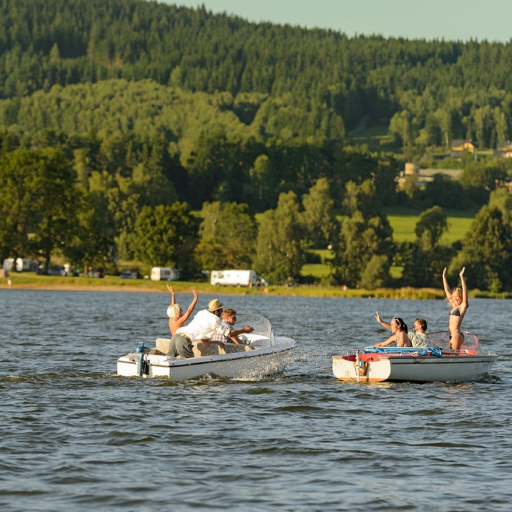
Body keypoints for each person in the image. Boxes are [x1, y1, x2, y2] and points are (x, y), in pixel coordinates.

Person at [166, 298, 231, 358]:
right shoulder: (215, 320)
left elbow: (203, 340)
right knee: (189, 364)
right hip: (183, 340)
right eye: (221, 310)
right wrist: (241, 330)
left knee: (169, 359)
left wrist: (217, 342)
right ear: (216, 311)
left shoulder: (201, 313)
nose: (222, 312)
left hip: (175, 337)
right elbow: (230, 333)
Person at [443, 267, 468, 350]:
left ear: (461, 297)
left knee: (452, 356)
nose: (455, 298)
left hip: (456, 335)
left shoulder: (462, 307)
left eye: (457, 297)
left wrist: (461, 276)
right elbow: (447, 290)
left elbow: (464, 291)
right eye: (454, 297)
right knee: (452, 355)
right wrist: (444, 277)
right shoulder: (454, 305)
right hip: (452, 335)